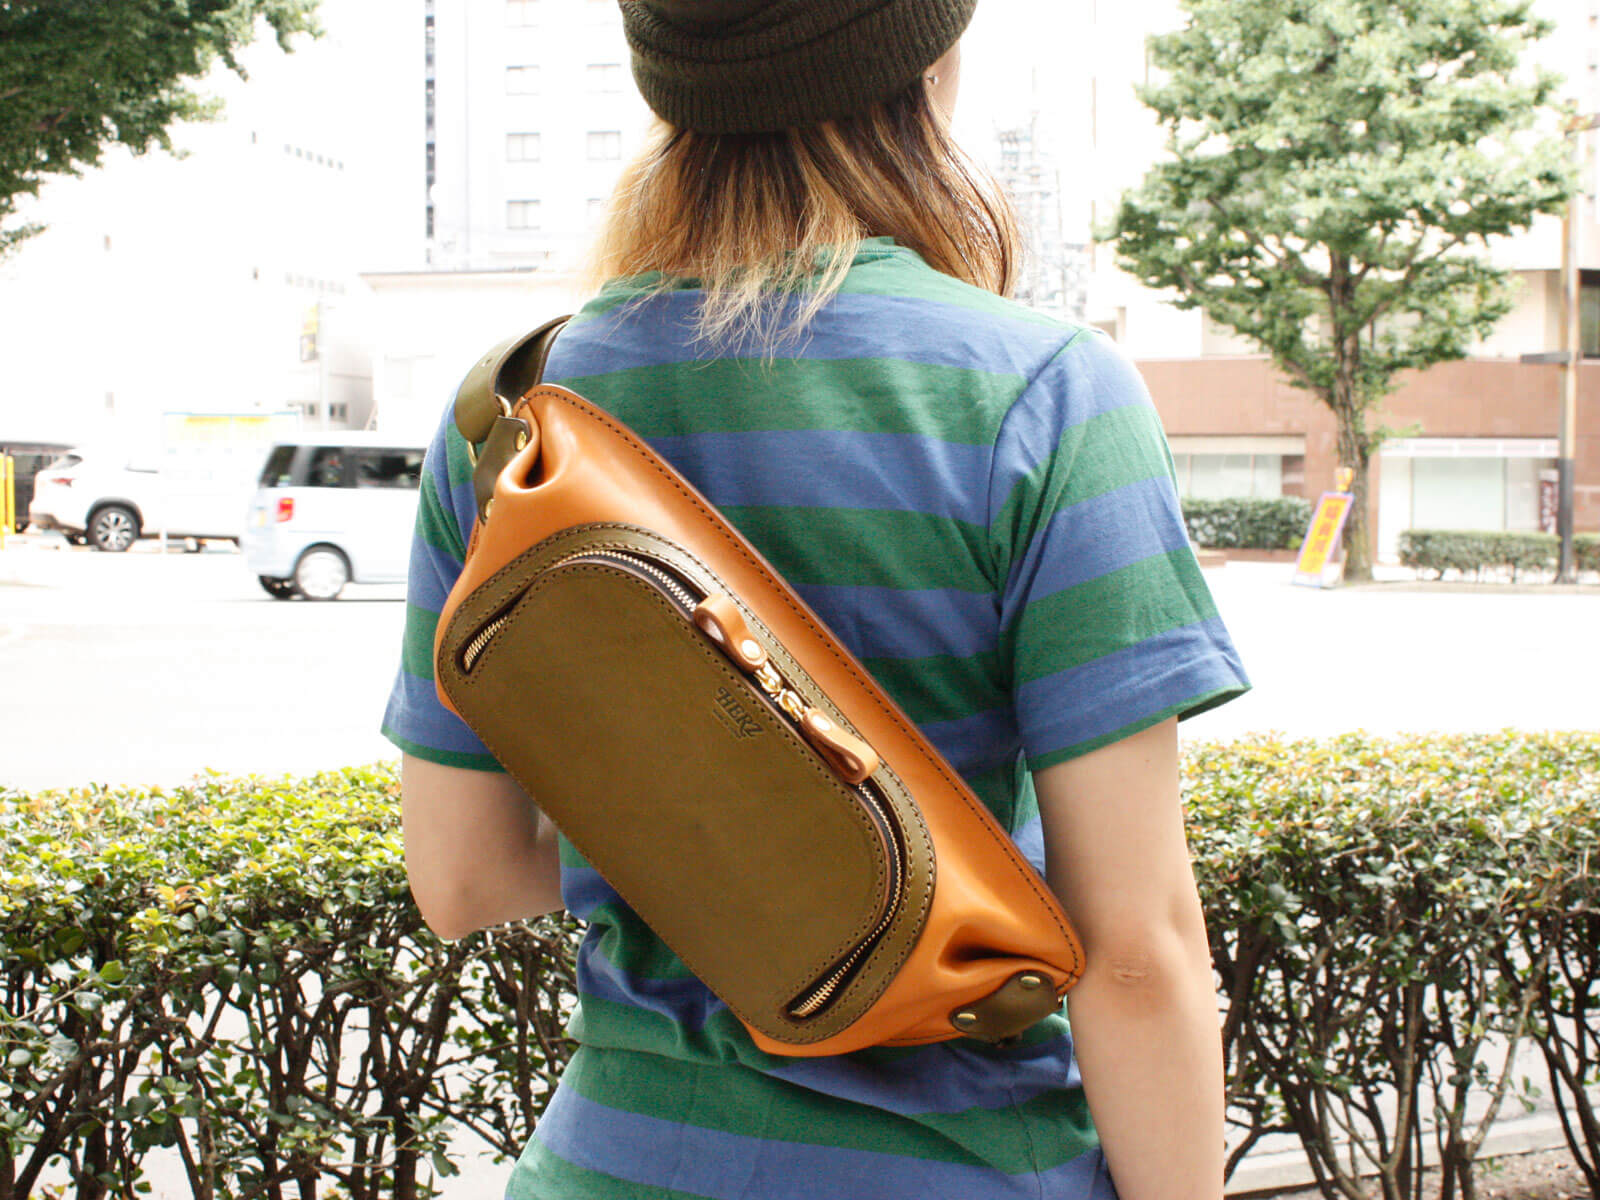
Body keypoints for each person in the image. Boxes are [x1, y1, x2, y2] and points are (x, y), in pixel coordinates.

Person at [382, 1, 1251, 1196]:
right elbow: (1137, 954)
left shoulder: (515, 421)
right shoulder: (1045, 395)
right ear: (927, 67)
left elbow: (462, 879)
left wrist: (711, 847)